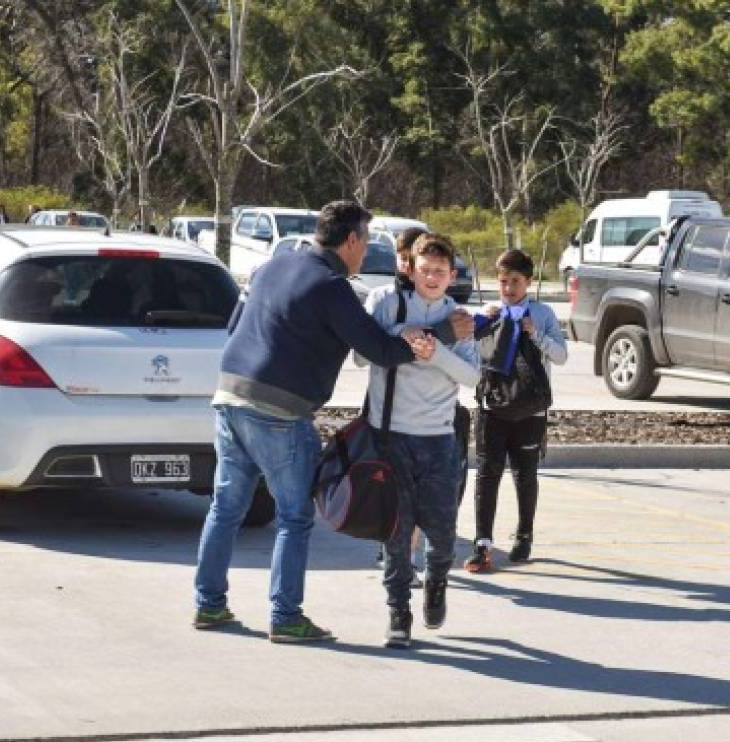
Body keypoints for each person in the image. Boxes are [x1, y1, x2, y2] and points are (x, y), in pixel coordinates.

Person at [194, 201, 423, 644]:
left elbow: (235, 324)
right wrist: (428, 342)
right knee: (295, 516)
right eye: (367, 242)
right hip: (278, 412)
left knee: (226, 508)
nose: (366, 253)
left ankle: (209, 605)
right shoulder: (332, 286)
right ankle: (286, 617)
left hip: (229, 395)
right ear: (352, 240)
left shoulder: (274, 265)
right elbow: (379, 349)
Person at [357, 232, 479, 648]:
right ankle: (398, 612)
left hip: (439, 439)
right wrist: (406, 336)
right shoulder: (385, 304)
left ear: (451, 275)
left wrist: (436, 352)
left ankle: (438, 580)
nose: (431, 277)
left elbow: (474, 378)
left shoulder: (460, 318)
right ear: (410, 266)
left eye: (440, 272)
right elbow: (361, 355)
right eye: (424, 269)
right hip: (390, 436)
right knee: (396, 532)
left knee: (443, 532)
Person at [466, 249, 568, 572]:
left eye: (515, 281)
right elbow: (471, 351)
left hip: (530, 409)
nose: (508, 289)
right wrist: (484, 325)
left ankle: (524, 534)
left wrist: (533, 333)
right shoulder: (488, 310)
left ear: (529, 281)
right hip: (492, 408)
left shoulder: (543, 314)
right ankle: (482, 542)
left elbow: (562, 355)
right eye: (503, 281)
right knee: (487, 472)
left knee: (525, 474)